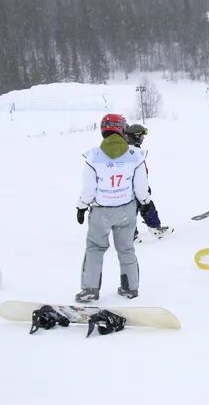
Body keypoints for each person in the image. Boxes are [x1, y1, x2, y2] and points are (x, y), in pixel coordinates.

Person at [76, 113, 153, 302]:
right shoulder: (135, 155)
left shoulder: (93, 156)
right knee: (126, 249)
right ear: (122, 129)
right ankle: (130, 287)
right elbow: (141, 187)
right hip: (126, 211)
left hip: (101, 212)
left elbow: (89, 189)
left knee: (94, 248)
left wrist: (81, 207)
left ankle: (90, 289)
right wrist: (146, 203)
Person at [124, 123, 171, 241]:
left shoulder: (129, 149)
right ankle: (152, 229)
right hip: (131, 187)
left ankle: (132, 234)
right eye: (142, 136)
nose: (143, 138)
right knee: (145, 204)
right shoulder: (132, 151)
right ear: (136, 136)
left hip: (131, 187)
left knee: (133, 208)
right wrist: (142, 189)